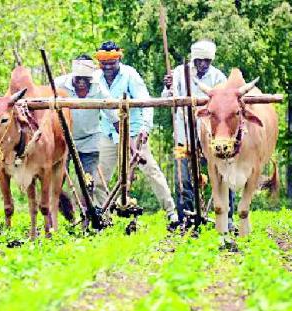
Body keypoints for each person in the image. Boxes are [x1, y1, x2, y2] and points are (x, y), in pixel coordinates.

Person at [93, 41, 178, 223]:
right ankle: (103, 217)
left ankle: (171, 212)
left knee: (151, 171)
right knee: (99, 177)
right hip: (108, 133)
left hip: (134, 133)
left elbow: (145, 102)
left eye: (112, 62)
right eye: (103, 62)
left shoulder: (130, 74)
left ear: (119, 59)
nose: (107, 66)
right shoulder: (95, 78)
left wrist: (145, 128)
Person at [163, 39, 235, 229]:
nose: (203, 64)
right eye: (200, 60)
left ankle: (228, 218)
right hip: (184, 135)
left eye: (207, 61)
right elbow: (167, 99)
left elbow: (226, 105)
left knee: (222, 174)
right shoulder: (179, 73)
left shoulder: (219, 78)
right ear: (193, 59)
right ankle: (185, 218)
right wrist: (169, 87)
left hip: (212, 137)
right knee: (183, 179)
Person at [54, 54, 119, 196]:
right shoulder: (58, 85)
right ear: (73, 77)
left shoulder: (98, 88)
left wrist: (127, 143)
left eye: (86, 79)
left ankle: (87, 214)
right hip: (64, 140)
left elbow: (115, 118)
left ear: (91, 79)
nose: (82, 83)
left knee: (88, 181)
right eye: (78, 79)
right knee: (58, 179)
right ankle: (55, 211)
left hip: (90, 140)